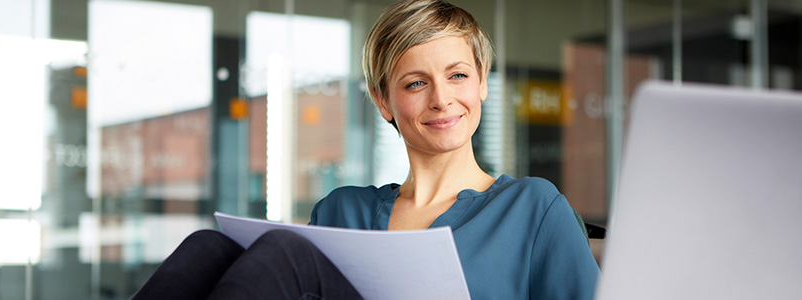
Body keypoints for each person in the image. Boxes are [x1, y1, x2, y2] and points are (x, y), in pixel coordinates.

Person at [133, 0, 598, 299]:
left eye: (457, 75)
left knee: (283, 250)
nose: (441, 99)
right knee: (206, 247)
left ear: (482, 85)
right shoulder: (342, 209)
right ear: (383, 101)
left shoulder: (533, 207)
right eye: (416, 83)